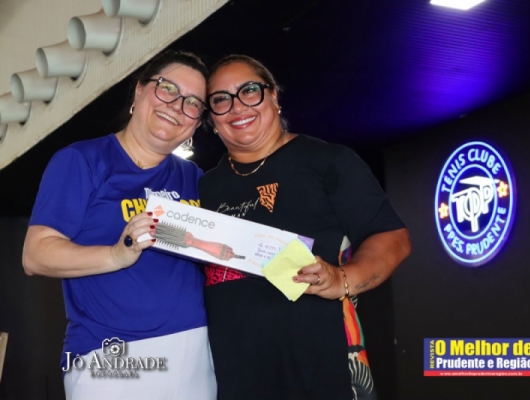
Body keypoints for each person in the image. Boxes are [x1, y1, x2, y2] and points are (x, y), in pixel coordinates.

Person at [199, 54, 411, 400]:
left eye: (249, 90)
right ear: (212, 117)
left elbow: (393, 237)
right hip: (236, 375)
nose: (237, 107)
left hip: (323, 368)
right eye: (221, 99)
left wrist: (342, 279)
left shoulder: (327, 162)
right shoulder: (204, 188)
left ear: (274, 96)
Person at [22, 50, 217, 400]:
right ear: (139, 90)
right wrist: (116, 254)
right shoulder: (82, 160)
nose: (177, 106)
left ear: (196, 122)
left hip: (193, 353)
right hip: (111, 355)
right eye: (167, 88)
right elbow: (35, 255)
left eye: (192, 103)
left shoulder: (195, 177)